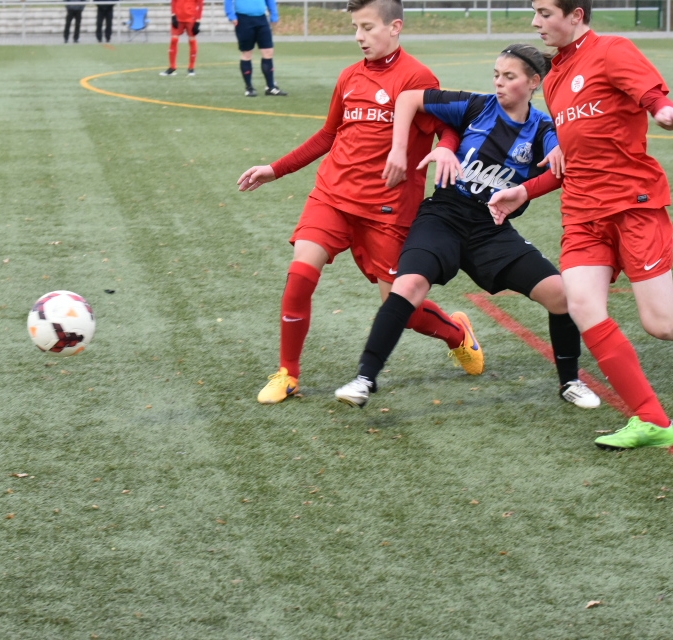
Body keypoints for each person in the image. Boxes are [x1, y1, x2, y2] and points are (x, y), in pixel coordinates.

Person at [487, 0, 673, 450]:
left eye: (546, 13)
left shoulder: (611, 50)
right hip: (582, 214)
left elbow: (649, 91)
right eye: (535, 12)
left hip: (633, 207)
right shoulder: (554, 78)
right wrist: (524, 191)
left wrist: (662, 109)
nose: (536, 22)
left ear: (576, 15)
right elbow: (573, 157)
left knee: (661, 324)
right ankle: (651, 420)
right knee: (582, 305)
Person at [237, 0, 482, 405]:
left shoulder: (417, 76)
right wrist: (275, 169)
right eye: (356, 27)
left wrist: (445, 149)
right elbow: (328, 134)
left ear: (395, 27)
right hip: (331, 196)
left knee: (402, 308)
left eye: (368, 27)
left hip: (387, 209)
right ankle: (288, 373)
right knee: (299, 276)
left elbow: (448, 127)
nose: (359, 36)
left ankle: (457, 333)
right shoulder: (350, 76)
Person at [334, 44, 600, 411]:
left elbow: (562, 161)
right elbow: (409, 98)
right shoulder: (476, 106)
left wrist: (557, 151)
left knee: (560, 295)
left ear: (533, 82)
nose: (499, 82)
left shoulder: (542, 128)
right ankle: (364, 378)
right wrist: (407, 148)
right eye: (496, 75)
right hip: (443, 216)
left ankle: (570, 381)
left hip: (491, 229)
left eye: (509, 76)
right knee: (407, 286)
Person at [225, 0, 286, 96]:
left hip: (261, 19)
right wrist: (231, 15)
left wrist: (274, 14)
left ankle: (270, 87)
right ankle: (249, 88)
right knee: (247, 53)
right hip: (243, 19)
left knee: (268, 51)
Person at [160, 0, 203, 76]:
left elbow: (200, 4)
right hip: (178, 18)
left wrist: (198, 21)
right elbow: (173, 1)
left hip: (191, 18)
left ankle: (191, 68)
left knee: (192, 40)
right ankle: (172, 67)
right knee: (174, 40)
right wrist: (173, 15)